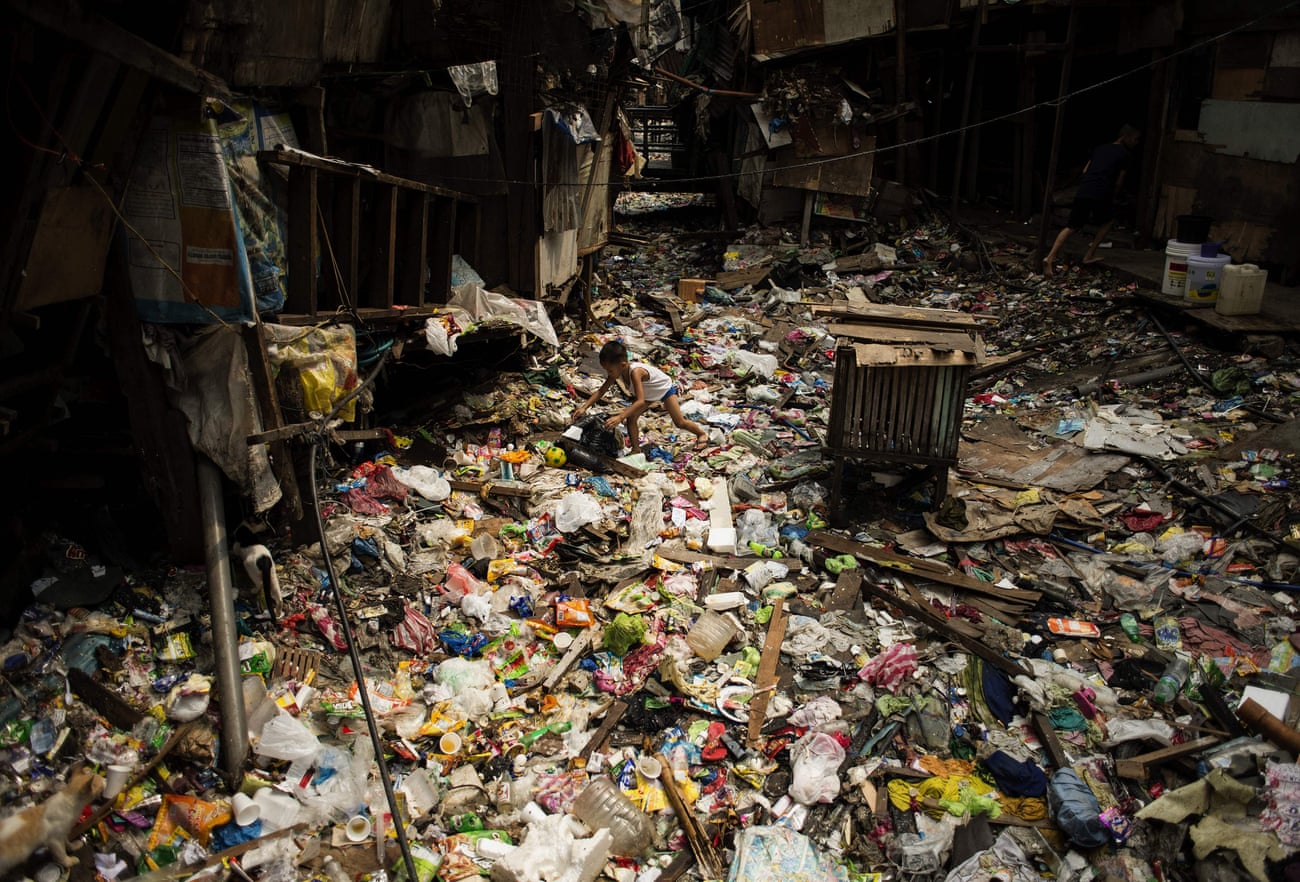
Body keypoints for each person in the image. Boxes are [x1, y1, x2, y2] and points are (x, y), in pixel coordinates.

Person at [574, 340, 708, 451]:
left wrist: (620, 417)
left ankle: (701, 434)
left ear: (623, 364)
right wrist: (584, 407)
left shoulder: (635, 372)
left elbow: (639, 401)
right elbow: (601, 391)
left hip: (664, 389)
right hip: (649, 394)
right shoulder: (616, 372)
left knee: (679, 422)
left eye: (610, 370)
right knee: (631, 419)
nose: (608, 373)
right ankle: (636, 449)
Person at [1043, 124, 1140, 277]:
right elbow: (1119, 182)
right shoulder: (1125, 155)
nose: (1136, 142)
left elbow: (1085, 171)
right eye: (1135, 139)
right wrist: (1114, 195)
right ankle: (1089, 254)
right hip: (1101, 191)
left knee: (1071, 226)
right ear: (1125, 137)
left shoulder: (1100, 149)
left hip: (1084, 189)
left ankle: (1050, 257)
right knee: (1108, 221)